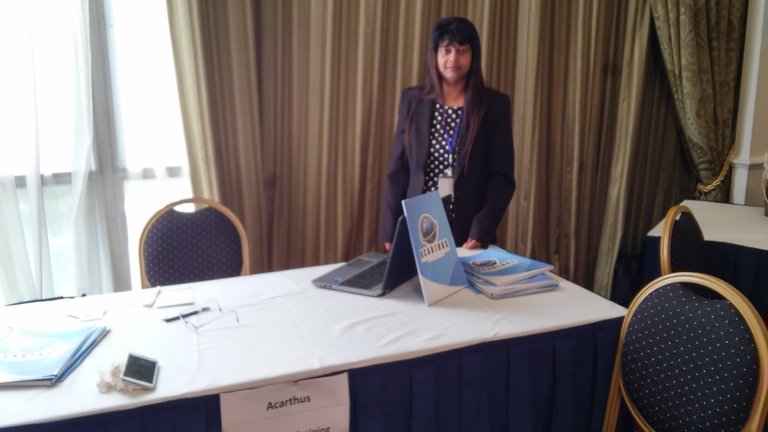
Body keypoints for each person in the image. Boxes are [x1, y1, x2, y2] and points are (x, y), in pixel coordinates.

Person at [380, 16, 516, 250]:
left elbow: (501, 177)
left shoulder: (494, 105)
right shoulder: (412, 101)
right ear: (434, 54)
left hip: (469, 231)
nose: (454, 58)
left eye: (462, 50)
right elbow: (398, 170)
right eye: (446, 50)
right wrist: (391, 228)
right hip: (420, 224)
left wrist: (482, 229)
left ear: (473, 56)